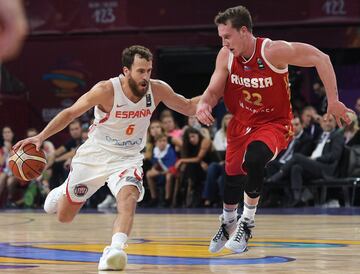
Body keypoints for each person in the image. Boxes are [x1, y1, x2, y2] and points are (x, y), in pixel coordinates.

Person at [13, 45, 199, 271]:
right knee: (64, 217)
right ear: (126, 71)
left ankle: (115, 250)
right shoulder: (106, 90)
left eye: (149, 71)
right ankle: (64, 190)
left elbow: (189, 106)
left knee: (128, 199)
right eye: (141, 71)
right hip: (95, 155)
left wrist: (220, 90)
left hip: (128, 158)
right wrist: (41, 137)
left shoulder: (157, 90)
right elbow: (71, 113)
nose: (146, 77)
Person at [195, 5, 353, 254]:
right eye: (221, 38)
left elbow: (321, 58)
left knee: (255, 159)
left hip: (274, 123)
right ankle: (228, 222)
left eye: (227, 36)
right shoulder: (225, 56)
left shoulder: (272, 51)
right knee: (232, 177)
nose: (223, 42)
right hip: (240, 123)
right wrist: (205, 102)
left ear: (244, 31)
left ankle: (246, 222)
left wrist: (332, 100)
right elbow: (214, 89)